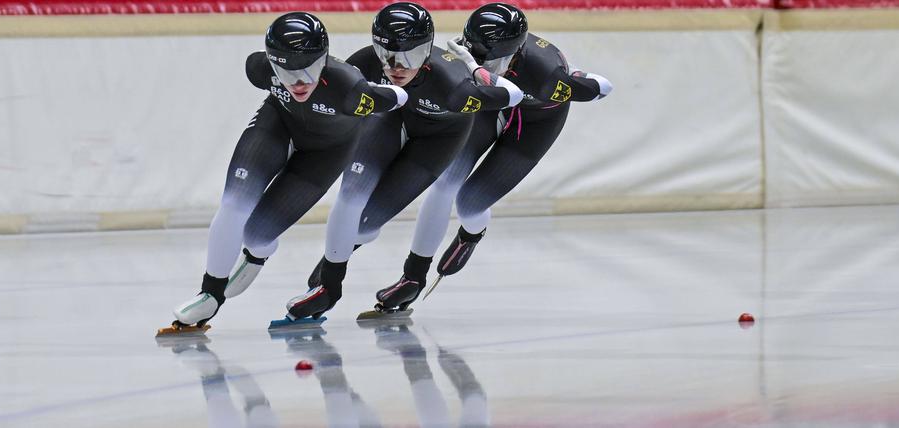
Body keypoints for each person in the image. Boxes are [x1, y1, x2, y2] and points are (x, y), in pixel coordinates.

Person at [161, 12, 407, 334]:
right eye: (286, 72)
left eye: (308, 69)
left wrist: (384, 89)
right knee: (234, 205)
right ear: (273, 64)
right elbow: (260, 64)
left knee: (257, 234)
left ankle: (258, 253)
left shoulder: (350, 90)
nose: (299, 82)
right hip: (276, 127)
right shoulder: (260, 70)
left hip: (324, 154)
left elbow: (399, 97)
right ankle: (210, 293)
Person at [282, 2, 524, 321]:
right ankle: (328, 287)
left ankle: (414, 277)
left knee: (370, 223)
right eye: (386, 54)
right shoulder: (366, 63)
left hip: (439, 140)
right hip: (394, 120)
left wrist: (475, 69)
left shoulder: (453, 83)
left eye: (409, 56)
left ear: (426, 52)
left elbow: (513, 95)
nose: (396, 66)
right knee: (350, 197)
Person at [388, 2, 614, 307]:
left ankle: (472, 232)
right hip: (490, 108)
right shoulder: (471, 49)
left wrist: (574, 79)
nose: (476, 64)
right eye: (473, 57)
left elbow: (603, 87)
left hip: (534, 124)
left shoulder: (546, 74)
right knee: (444, 183)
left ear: (514, 55)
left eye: (485, 61)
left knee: (468, 205)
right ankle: (413, 277)